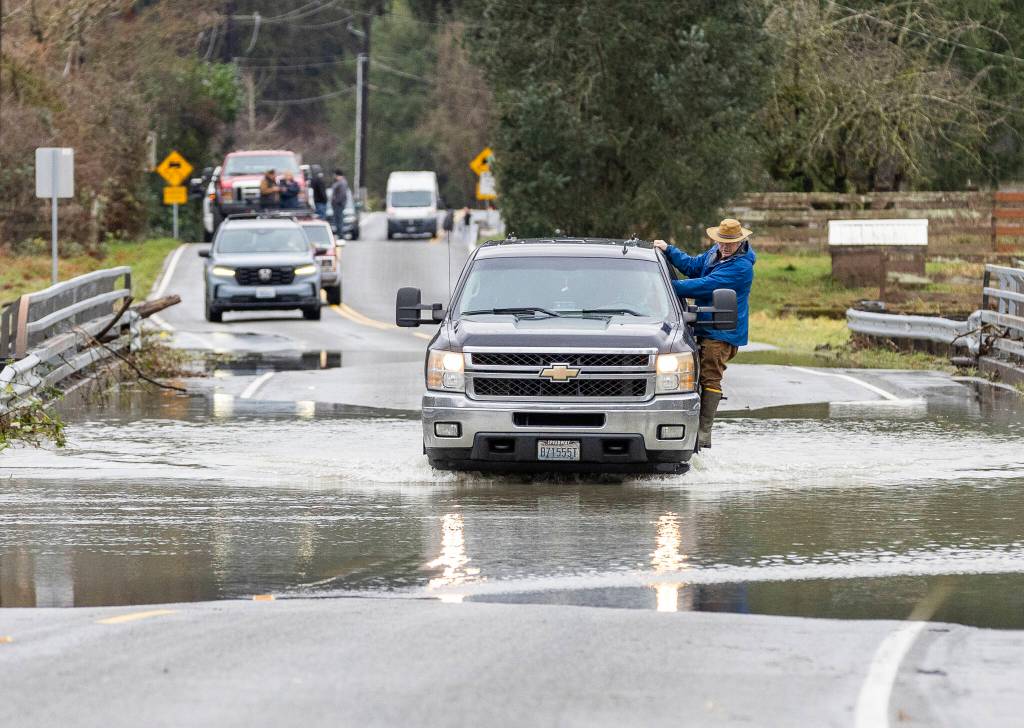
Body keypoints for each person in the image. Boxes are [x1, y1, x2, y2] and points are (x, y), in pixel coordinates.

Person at [653, 218, 756, 449]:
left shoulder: (741, 268)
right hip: (704, 326)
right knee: (697, 377)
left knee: (710, 376)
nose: (724, 246)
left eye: (729, 243)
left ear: (741, 242)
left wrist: (662, 286)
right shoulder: (715, 253)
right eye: (721, 241)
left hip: (721, 332)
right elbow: (691, 265)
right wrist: (669, 250)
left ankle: (703, 433)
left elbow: (704, 284)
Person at [330, 169, 350, 235]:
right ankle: (339, 234)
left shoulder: (342, 183)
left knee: (339, 220)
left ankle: (340, 234)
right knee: (338, 220)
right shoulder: (340, 182)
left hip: (339, 204)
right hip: (337, 204)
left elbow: (342, 194)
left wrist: (336, 201)